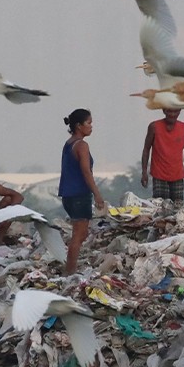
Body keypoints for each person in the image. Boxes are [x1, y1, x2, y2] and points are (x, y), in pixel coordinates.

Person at [59, 109, 106, 275]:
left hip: (68, 195)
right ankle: (69, 273)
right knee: (78, 236)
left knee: (81, 233)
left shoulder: (69, 143)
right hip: (79, 194)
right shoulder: (82, 145)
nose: (91, 126)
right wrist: (97, 195)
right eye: (88, 123)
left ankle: (70, 268)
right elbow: (86, 172)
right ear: (79, 126)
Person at [141, 108, 184, 204]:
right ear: (164, 111)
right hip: (159, 175)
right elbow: (146, 149)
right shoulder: (154, 127)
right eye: (170, 111)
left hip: (177, 175)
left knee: (177, 208)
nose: (172, 114)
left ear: (179, 111)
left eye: (175, 111)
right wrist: (144, 172)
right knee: (160, 207)